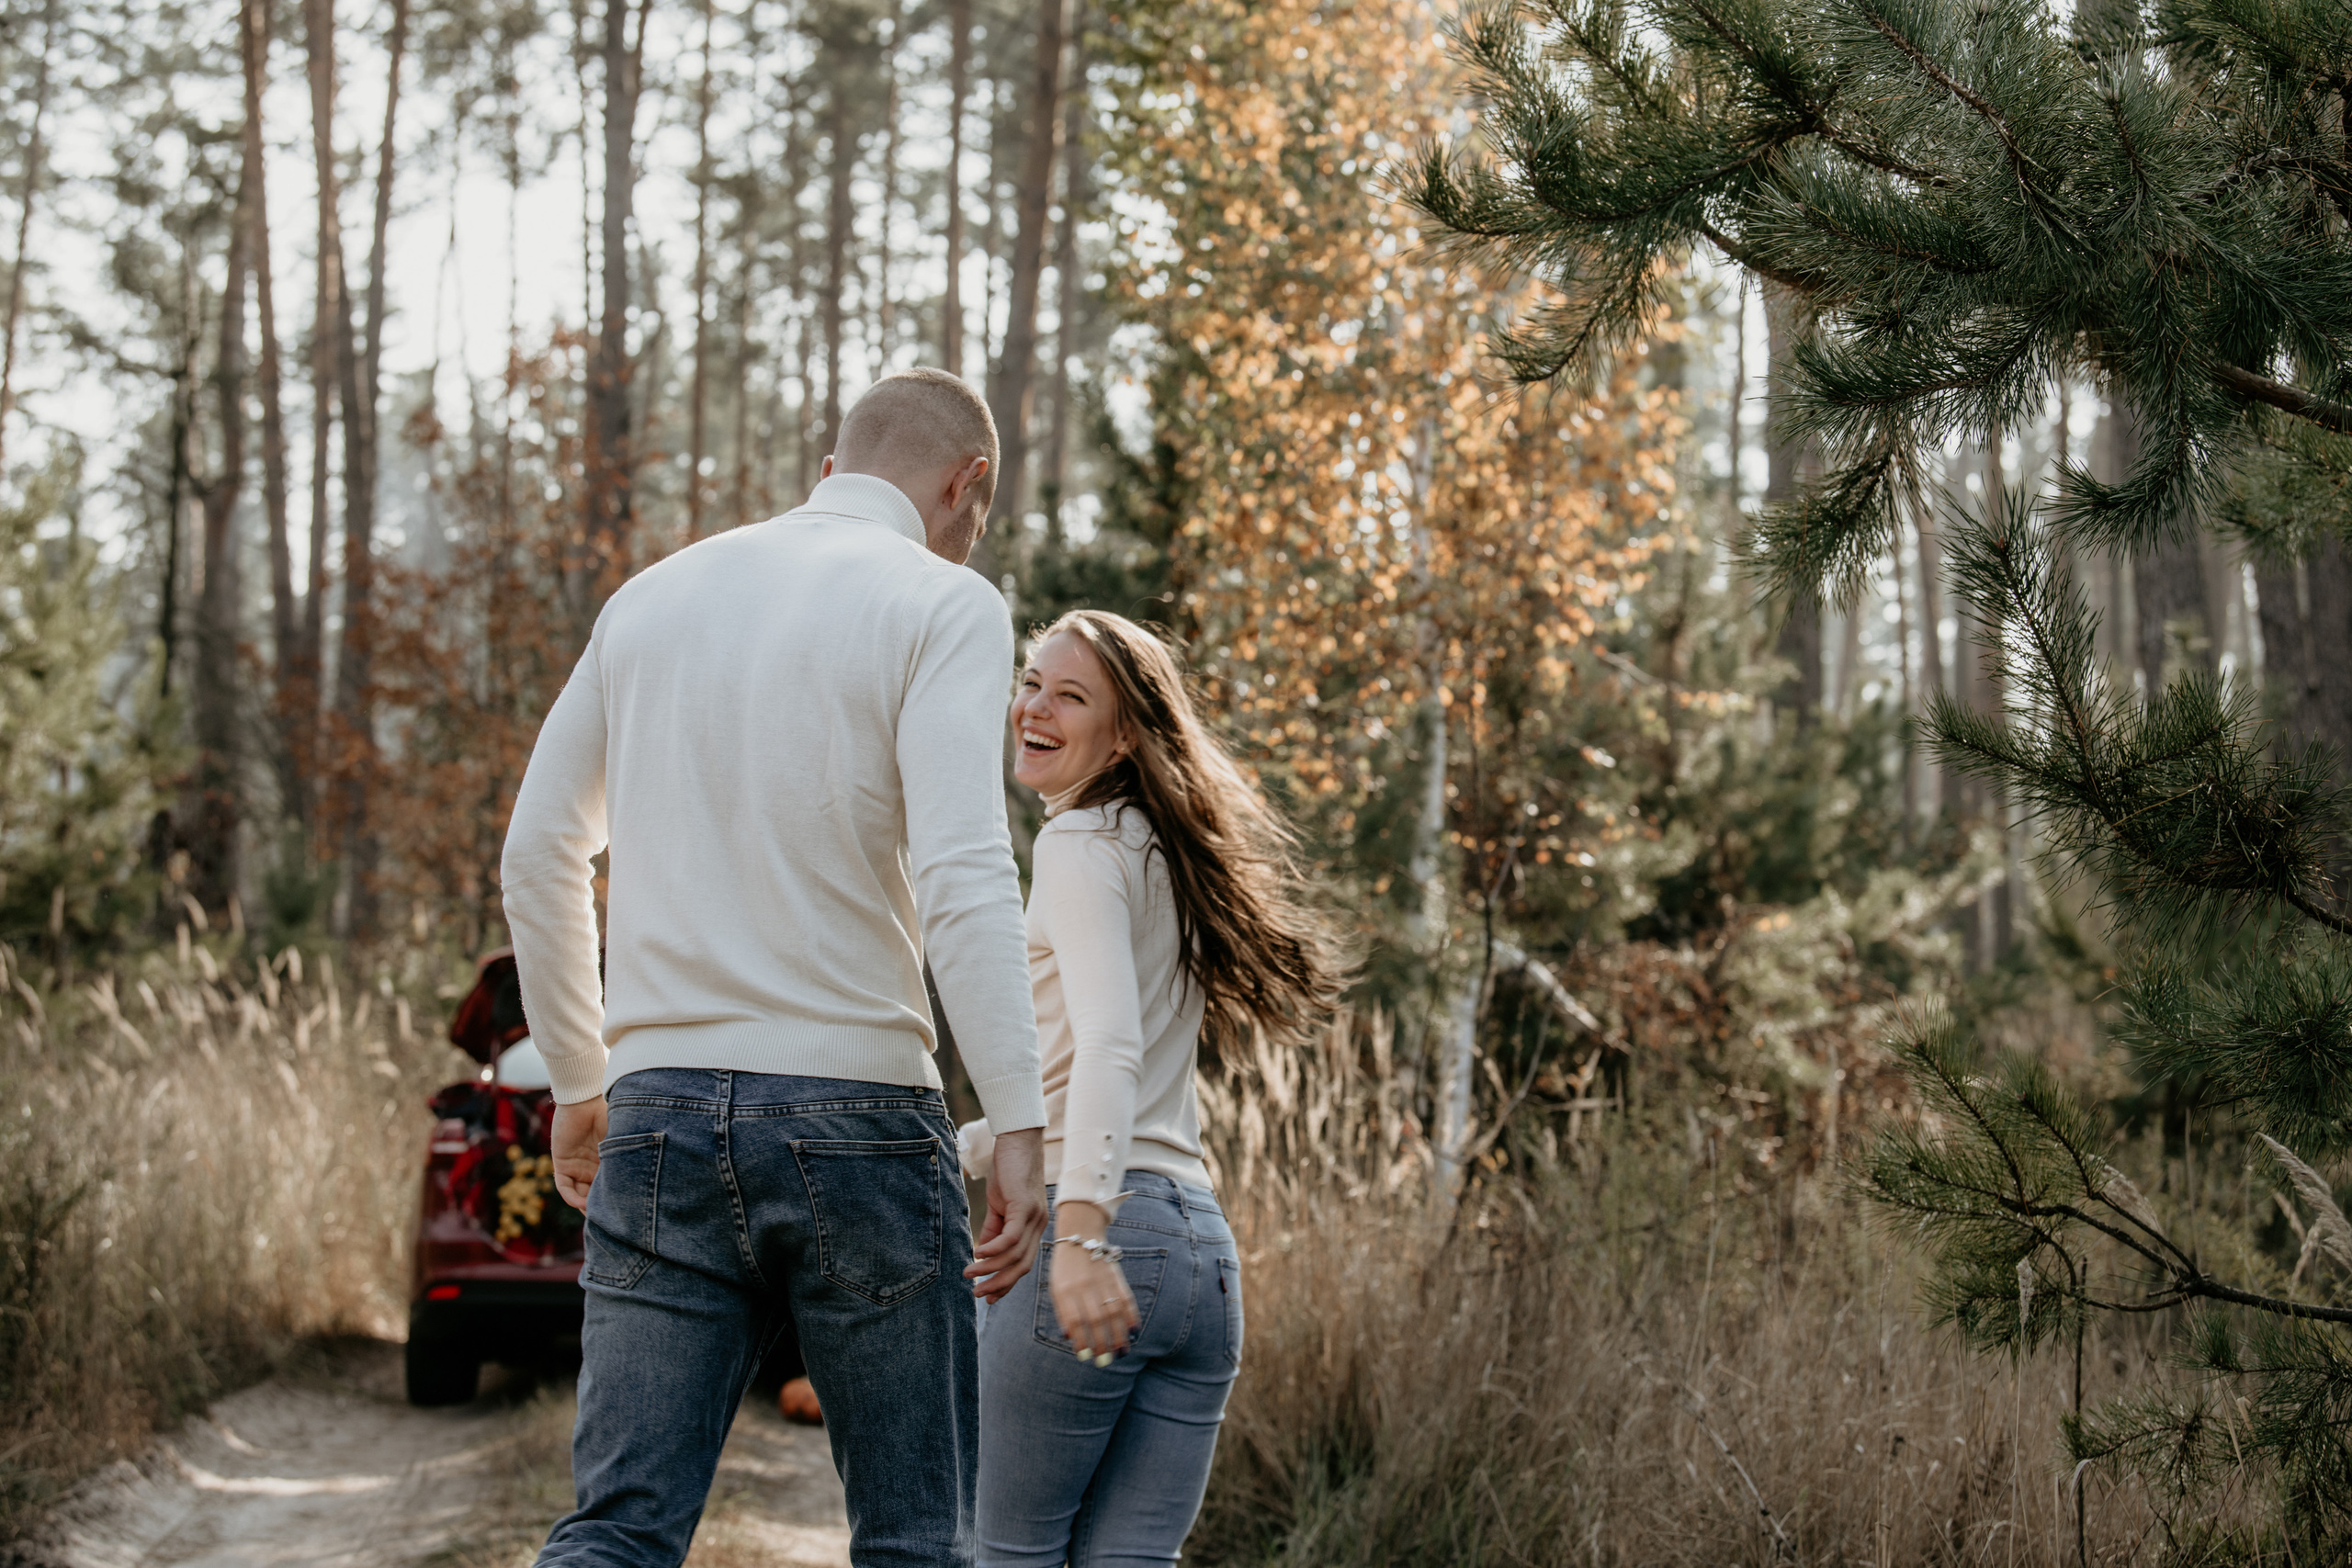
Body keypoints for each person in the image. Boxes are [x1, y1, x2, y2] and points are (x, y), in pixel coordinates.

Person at [501, 367, 1050, 1568]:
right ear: (967, 484)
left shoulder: (650, 600)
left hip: (657, 1114)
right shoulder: (943, 603)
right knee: (917, 1538)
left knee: (617, 1528)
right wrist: (1019, 1118)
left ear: (828, 468)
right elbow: (963, 873)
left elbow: (538, 852)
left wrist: (582, 1083)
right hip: (861, 1120)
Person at [959, 611, 1348, 1566]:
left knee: (1007, 1552)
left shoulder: (1079, 844)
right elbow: (1082, 1063)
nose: (1033, 709)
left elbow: (1109, 1044)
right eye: (1031, 683)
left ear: (1125, 734)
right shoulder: (1159, 851)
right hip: (1198, 1255)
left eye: (1069, 696)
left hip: (1106, 1231)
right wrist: (979, 1142)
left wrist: (1083, 1232)